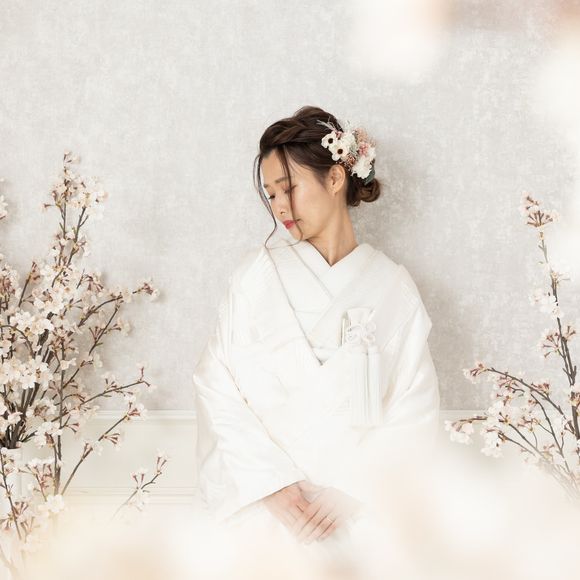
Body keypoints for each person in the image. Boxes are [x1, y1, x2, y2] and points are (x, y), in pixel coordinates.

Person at [192, 105, 440, 560]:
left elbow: (415, 405)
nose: (279, 206)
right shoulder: (254, 277)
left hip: (357, 517)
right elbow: (216, 385)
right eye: (270, 194)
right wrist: (272, 485)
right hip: (266, 511)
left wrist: (355, 488)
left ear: (335, 178)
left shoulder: (393, 287)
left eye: (288, 188)